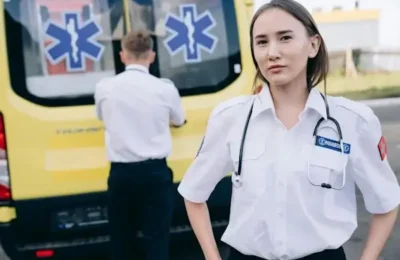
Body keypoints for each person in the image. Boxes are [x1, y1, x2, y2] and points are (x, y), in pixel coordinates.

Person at [177, 1, 400, 260]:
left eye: (285, 38)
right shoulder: (230, 118)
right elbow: (193, 194)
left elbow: (386, 202)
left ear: (313, 45)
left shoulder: (353, 121)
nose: (272, 52)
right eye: (261, 42)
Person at [94, 30, 186, 260]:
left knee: (121, 240)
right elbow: (178, 120)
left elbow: (102, 117)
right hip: (155, 173)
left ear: (123, 56)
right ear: (152, 56)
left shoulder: (104, 88)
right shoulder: (165, 88)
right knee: (157, 239)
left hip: (121, 175)